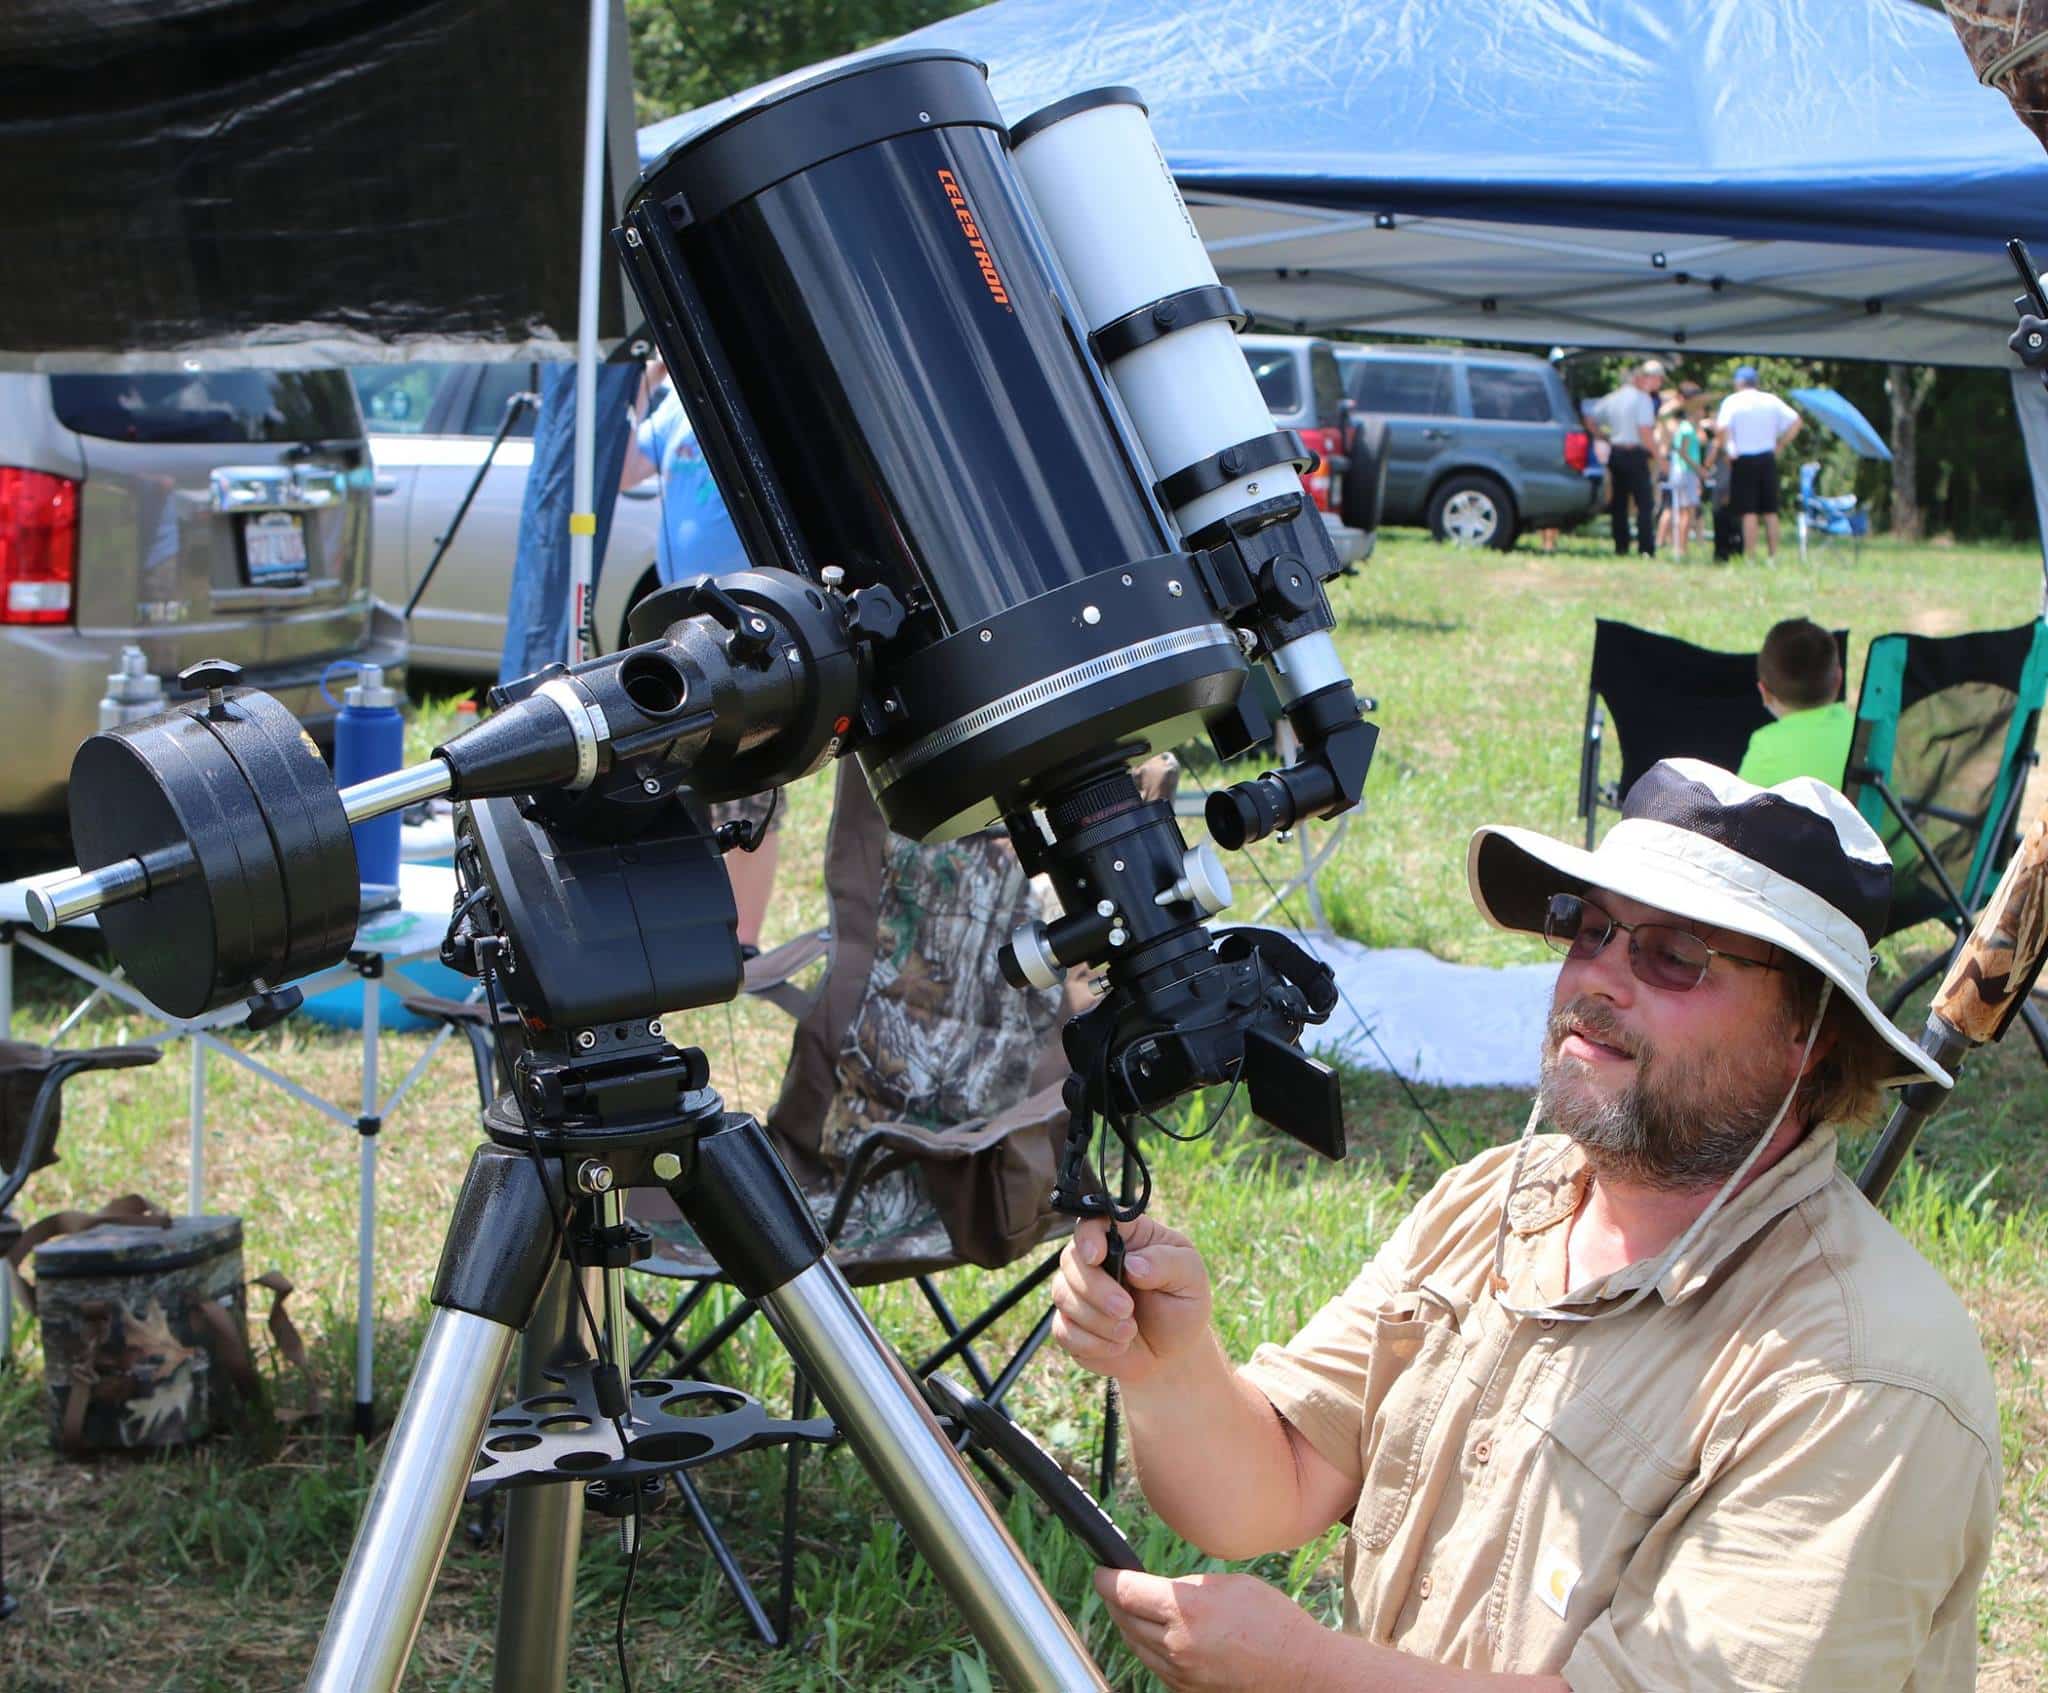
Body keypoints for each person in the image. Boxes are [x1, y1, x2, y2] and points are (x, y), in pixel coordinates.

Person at [1053, 758, 1997, 1690]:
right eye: (1589, 931)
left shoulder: (1860, 1371)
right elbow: (1278, 1480)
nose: (1601, 979)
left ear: (1812, 1031)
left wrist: (1305, 1672)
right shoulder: (1499, 1198)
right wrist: (1169, 1365)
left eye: (1673, 954)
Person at [622, 365, 779, 948]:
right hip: (677, 626)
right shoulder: (671, 405)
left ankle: (744, 939)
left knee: (748, 784)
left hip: (737, 619)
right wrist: (638, 384)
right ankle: (690, 922)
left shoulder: (743, 392)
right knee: (678, 767)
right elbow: (625, 472)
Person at [1737, 617, 1854, 788]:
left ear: (1764, 693)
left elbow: (1737, 809)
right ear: (1838, 679)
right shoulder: (1863, 734)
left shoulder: (1766, 746)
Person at [1704, 366, 1802, 565]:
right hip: (1767, 457)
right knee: (1770, 511)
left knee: (1749, 511)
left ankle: (1750, 556)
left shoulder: (1732, 401)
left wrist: (1728, 449)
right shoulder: (1770, 400)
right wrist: (1781, 443)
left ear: (1738, 383)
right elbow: (1796, 421)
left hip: (1743, 459)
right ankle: (1773, 556)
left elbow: (1722, 429)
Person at [1597, 360, 1664, 558]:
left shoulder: (1613, 398)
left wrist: (1602, 436)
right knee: (1644, 503)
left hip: (1616, 453)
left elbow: (1591, 417)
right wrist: (1660, 457)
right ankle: (1646, 548)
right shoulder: (1643, 399)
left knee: (1619, 504)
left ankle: (1621, 546)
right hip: (1635, 454)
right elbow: (1645, 431)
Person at [1653, 388, 1705, 561]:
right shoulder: (1674, 420)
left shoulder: (1685, 424)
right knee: (1674, 508)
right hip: (1676, 467)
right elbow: (1679, 446)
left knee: (1678, 508)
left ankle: (1673, 543)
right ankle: (1666, 543)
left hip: (1677, 467)